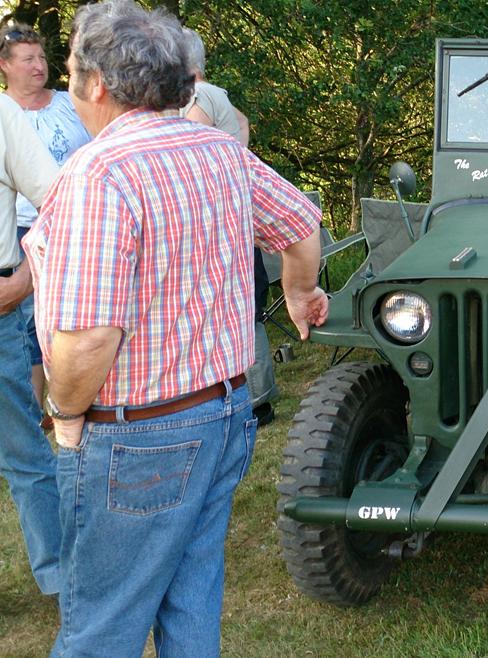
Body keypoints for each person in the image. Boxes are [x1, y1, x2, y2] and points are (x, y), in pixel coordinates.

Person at [22, 1, 328, 654]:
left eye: (71, 66)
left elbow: (90, 336)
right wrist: (302, 294)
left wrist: (66, 412)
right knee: (191, 605)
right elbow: (302, 222)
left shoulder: (100, 173)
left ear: (97, 83)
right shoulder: (218, 150)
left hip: (137, 437)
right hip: (225, 416)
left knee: (101, 628)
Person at [180, 26, 278, 426]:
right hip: (237, 218)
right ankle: (259, 395)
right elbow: (243, 120)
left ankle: (254, 401)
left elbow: (189, 145)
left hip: (219, 226)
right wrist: (239, 159)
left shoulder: (199, 95)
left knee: (238, 311)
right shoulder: (218, 93)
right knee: (246, 306)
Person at [0, 22, 91, 409]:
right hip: (16, 228)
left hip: (72, 221)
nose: (38, 66)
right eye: (27, 59)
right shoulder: (5, 114)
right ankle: (36, 409)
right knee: (26, 326)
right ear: (4, 65)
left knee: (68, 317)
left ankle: (73, 399)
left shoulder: (69, 103)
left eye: (41, 57)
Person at [0, 87, 60, 599]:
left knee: (22, 451)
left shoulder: (2, 114)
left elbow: (58, 200)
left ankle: (62, 577)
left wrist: (25, 277)